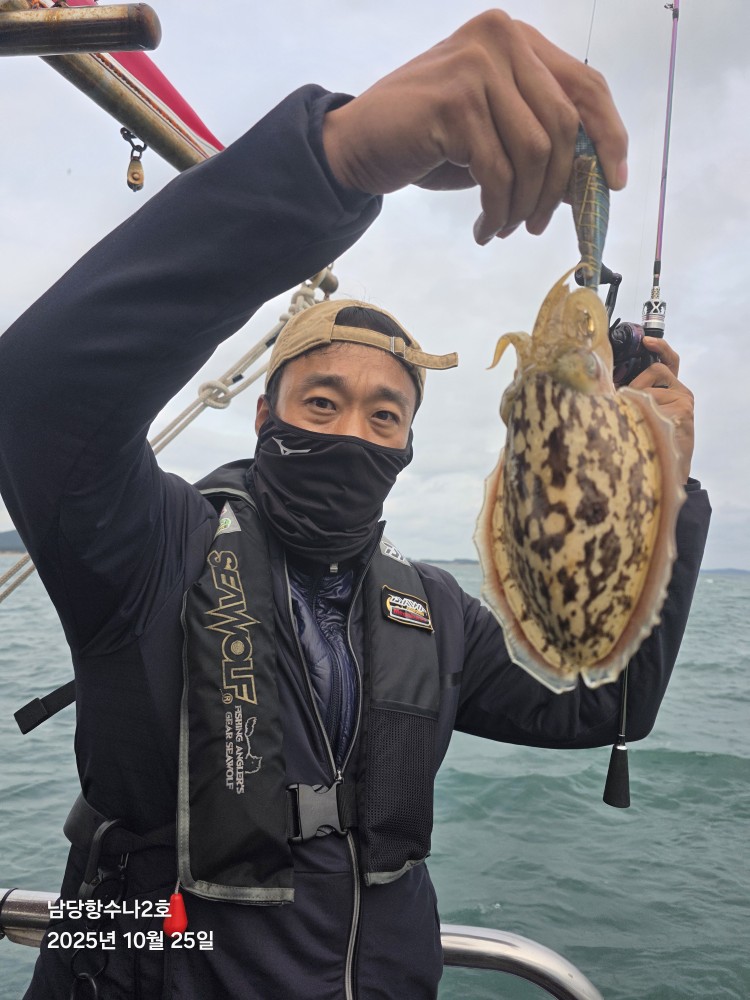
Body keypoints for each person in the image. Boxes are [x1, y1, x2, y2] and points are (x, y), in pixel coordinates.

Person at [0, 11, 708, 1000]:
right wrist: (337, 158)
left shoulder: (435, 610)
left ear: (408, 444)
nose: (353, 431)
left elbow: (602, 705)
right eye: (321, 402)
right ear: (265, 415)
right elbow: (40, 397)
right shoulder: (148, 549)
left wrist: (664, 487)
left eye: (384, 414)